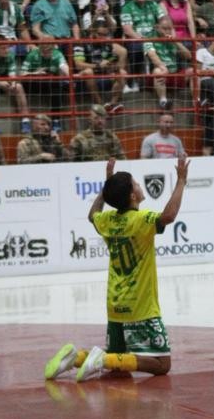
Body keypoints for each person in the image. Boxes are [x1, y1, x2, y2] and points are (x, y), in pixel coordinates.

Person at [44, 155, 189, 383]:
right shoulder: (141, 220)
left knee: (119, 360)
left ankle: (75, 358)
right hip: (140, 306)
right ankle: (101, 360)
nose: (139, 185)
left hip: (115, 305)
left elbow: (92, 215)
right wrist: (181, 180)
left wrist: (106, 188)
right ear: (133, 195)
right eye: (136, 184)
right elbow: (169, 216)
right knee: (162, 364)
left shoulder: (108, 220)